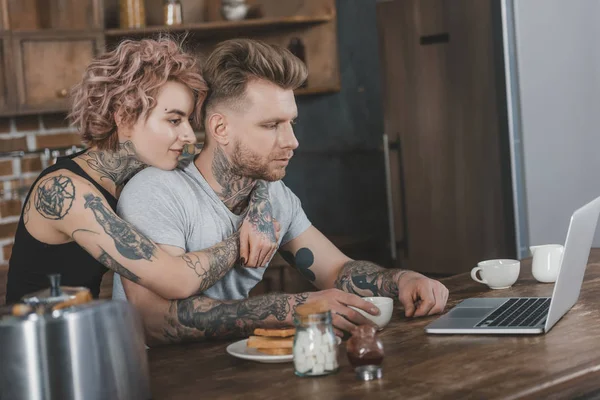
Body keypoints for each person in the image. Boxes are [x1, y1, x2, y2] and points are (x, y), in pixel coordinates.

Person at [112, 38, 449, 346]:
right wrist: (294, 306)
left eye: (292, 123)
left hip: (227, 372)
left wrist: (400, 281)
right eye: (271, 125)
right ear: (220, 128)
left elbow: (336, 270)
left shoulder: (273, 196)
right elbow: (154, 320)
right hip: (154, 380)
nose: (291, 141)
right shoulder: (156, 191)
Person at [5, 37, 279, 304]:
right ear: (124, 117)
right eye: (174, 120)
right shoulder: (64, 191)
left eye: (187, 121)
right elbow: (177, 281)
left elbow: (237, 171)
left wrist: (259, 212)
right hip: (37, 344)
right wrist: (242, 238)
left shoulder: (140, 172)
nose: (189, 137)